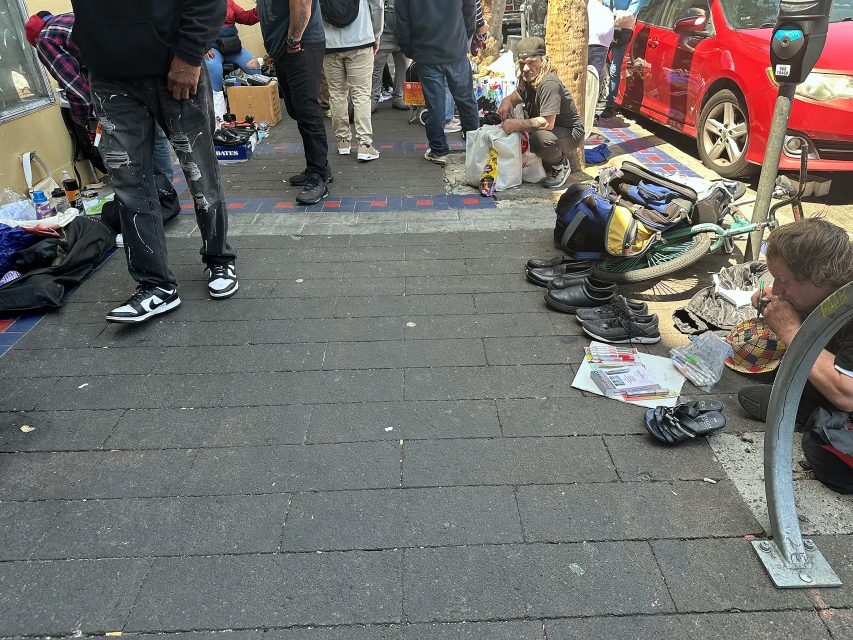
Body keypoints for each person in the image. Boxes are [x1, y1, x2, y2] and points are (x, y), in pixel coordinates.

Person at [70, 0, 239, 323]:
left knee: (199, 172)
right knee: (128, 184)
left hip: (173, 66)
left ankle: (219, 257)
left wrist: (189, 56)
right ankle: (156, 285)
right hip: (109, 76)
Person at [738, 219, 853, 493]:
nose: (777, 289)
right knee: (760, 397)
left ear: (821, 277)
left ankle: (809, 414)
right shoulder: (831, 288)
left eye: (784, 280)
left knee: (825, 451)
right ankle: (803, 408)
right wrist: (779, 299)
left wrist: (791, 330)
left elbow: (847, 395)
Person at [25, 11, 173, 183]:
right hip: (148, 63)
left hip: (117, 81)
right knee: (155, 135)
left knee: (115, 146)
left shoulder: (45, 40)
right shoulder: (72, 17)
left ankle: (140, 200)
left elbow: (79, 93)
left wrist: (85, 123)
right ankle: (167, 195)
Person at [259, 0, 332, 204]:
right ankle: (321, 167)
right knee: (296, 109)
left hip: (300, 46)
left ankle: (317, 176)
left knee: (307, 111)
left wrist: (293, 41)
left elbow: (302, 4)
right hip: (284, 48)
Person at [394, 0, 480, 166]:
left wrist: (410, 50)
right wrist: (463, 37)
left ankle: (438, 150)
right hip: (455, 48)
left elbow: (402, 22)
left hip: (426, 51)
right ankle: (475, 147)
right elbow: (470, 12)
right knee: (465, 100)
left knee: (435, 104)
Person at [497, 36, 584, 189]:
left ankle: (561, 165)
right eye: (522, 63)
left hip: (569, 132)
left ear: (542, 60)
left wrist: (516, 124)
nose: (525, 68)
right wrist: (506, 101)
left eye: (531, 63)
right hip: (553, 129)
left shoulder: (549, 83)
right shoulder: (528, 79)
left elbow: (547, 123)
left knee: (539, 139)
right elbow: (516, 96)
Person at [324, 0, 383, 162]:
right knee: (361, 94)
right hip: (361, 39)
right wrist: (375, 35)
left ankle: (342, 142)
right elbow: (377, 7)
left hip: (329, 44)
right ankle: (364, 145)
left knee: (336, 94)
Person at [205, 0, 262, 93]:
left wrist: (261, 8)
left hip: (232, 47)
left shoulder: (228, 2)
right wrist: (202, 46)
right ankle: (218, 102)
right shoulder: (198, 4)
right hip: (212, 49)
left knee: (253, 64)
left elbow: (246, 18)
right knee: (213, 68)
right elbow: (191, 27)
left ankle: (257, 98)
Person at [601, 0, 645, 119]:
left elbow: (631, 14)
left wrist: (613, 15)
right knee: (597, 65)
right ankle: (593, 101)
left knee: (615, 70)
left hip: (621, 33)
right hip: (604, 28)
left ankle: (610, 105)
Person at [371, 0, 410, 112]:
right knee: (376, 69)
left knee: (404, 66)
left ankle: (399, 96)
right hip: (382, 34)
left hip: (403, 34)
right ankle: (373, 98)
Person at [587, 0, 615, 101]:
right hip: (599, 47)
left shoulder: (605, 11)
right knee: (594, 81)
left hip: (598, 46)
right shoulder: (606, 11)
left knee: (593, 81)